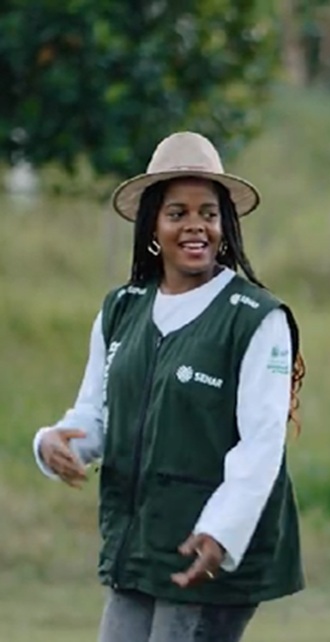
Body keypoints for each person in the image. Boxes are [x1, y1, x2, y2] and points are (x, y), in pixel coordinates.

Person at [32, 131, 307, 642]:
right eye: (177, 212)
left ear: (226, 225)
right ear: (153, 226)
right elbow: (97, 413)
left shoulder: (255, 318)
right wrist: (55, 443)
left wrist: (222, 532)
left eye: (208, 212)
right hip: (136, 546)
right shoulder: (122, 309)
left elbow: (263, 442)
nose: (195, 226)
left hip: (205, 552)